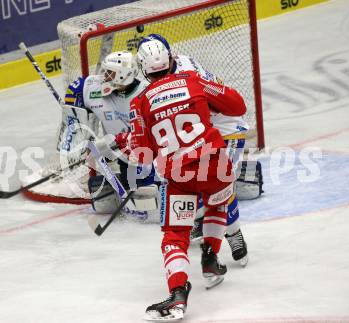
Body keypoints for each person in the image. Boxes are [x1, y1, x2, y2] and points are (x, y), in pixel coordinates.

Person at [128, 39, 247, 321]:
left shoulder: (139, 102)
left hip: (179, 175)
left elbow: (142, 156)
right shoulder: (193, 79)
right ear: (170, 61)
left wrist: (131, 140)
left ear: (143, 70)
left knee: (175, 236)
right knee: (218, 205)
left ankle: (178, 293)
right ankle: (210, 260)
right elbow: (237, 105)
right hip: (214, 165)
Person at [136, 34, 261, 266]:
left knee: (220, 186)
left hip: (224, 129)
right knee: (192, 181)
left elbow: (224, 102)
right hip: (196, 134)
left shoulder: (188, 70)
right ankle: (203, 223)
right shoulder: (160, 73)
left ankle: (234, 234)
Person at [62, 50, 159, 220]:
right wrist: (74, 110)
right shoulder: (94, 87)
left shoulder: (148, 93)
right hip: (119, 152)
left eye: (109, 72)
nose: (103, 76)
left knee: (148, 202)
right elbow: (76, 89)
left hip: (149, 156)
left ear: (123, 75)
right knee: (110, 199)